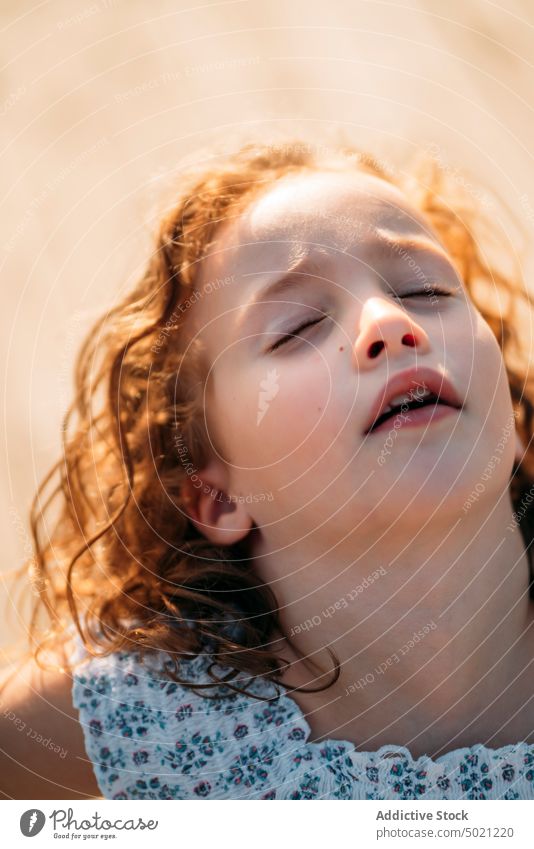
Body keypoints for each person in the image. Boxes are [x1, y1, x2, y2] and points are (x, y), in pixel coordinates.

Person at [2, 134, 534, 800]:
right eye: (298, 326)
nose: (389, 322)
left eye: (426, 288)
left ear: (511, 413)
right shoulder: (157, 723)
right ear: (217, 495)